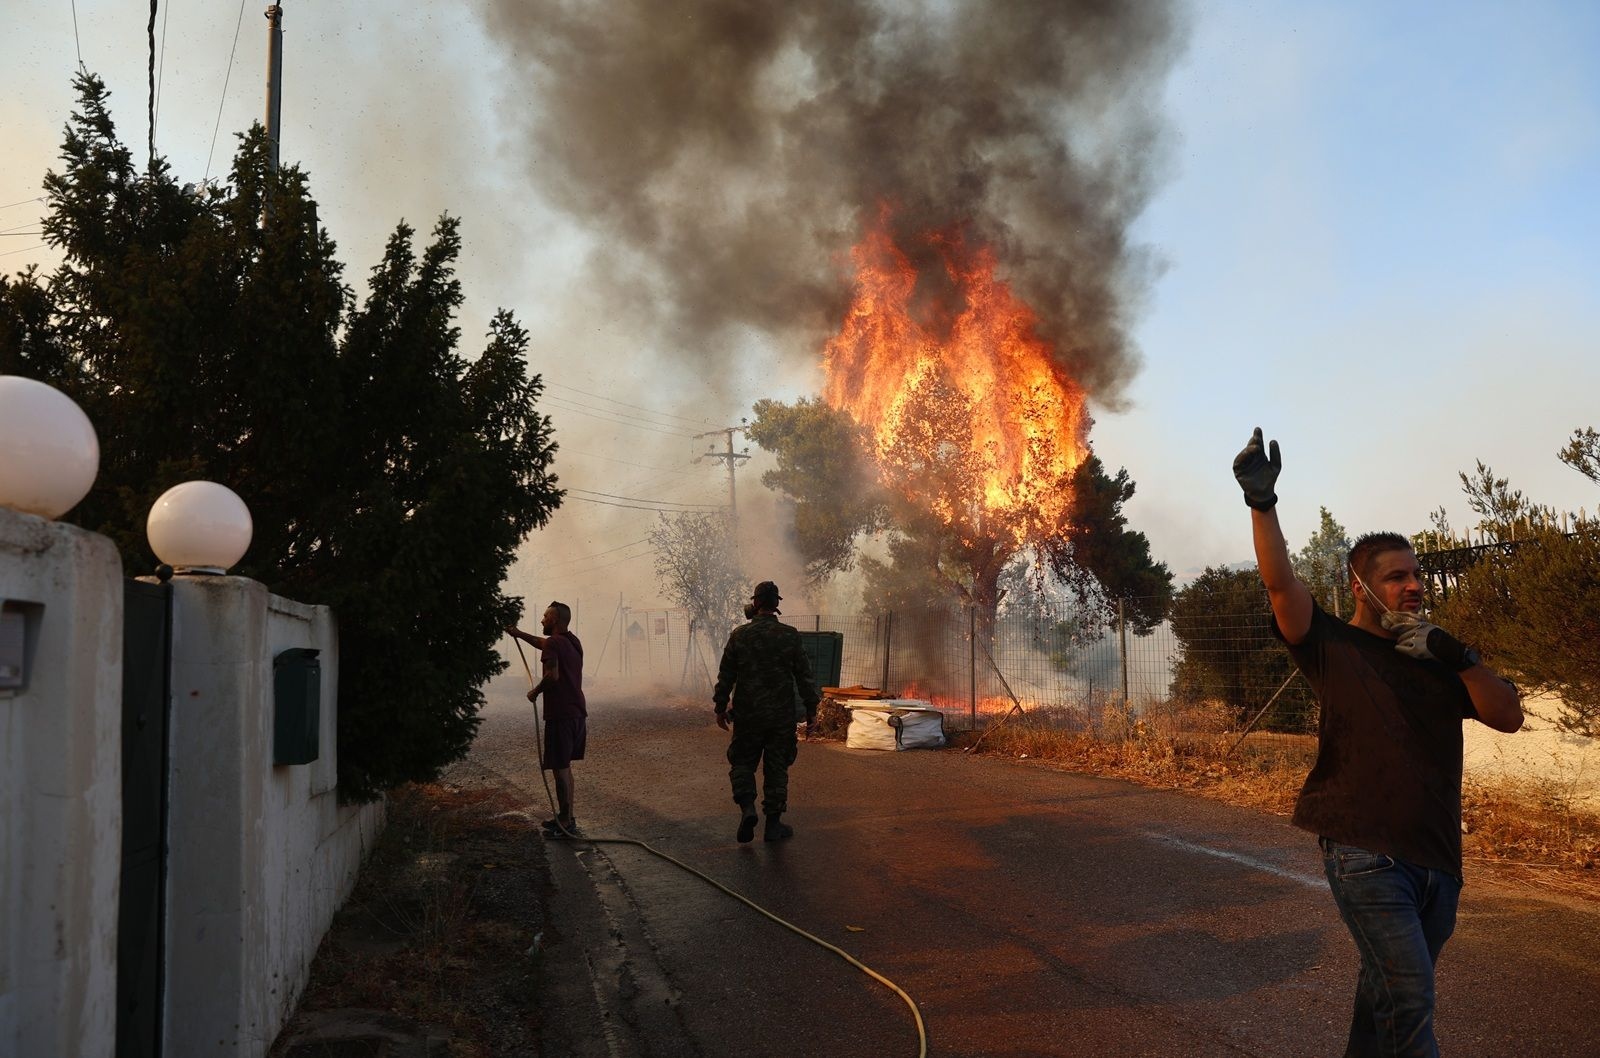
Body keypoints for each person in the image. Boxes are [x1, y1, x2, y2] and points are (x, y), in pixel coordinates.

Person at [1233, 427, 1522, 1058]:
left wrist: (1461, 656)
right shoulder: (1334, 646)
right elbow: (1283, 587)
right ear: (1361, 588)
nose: (1414, 587)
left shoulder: (1440, 661)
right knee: (1411, 998)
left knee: (1385, 1000)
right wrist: (1262, 504)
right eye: (1396, 578)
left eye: (1417, 576)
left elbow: (1508, 716)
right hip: (1368, 854)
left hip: (1439, 864)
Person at [713, 581, 822, 843]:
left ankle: (748, 808)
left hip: (748, 715)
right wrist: (811, 711)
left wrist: (719, 706)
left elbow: (726, 675)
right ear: (776, 605)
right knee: (777, 769)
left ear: (756, 603)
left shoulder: (740, 635)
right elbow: (805, 677)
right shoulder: (790, 635)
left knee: (742, 763)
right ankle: (773, 825)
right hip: (781, 717)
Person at [508, 601, 586, 838]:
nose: (542, 620)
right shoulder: (572, 642)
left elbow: (552, 676)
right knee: (565, 768)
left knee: (560, 770)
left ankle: (566, 823)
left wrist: (535, 692)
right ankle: (567, 818)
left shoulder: (555, 643)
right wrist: (518, 634)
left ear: (554, 620)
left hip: (560, 715)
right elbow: (542, 643)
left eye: (545, 617)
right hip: (577, 713)